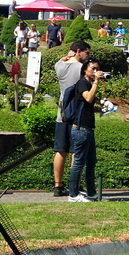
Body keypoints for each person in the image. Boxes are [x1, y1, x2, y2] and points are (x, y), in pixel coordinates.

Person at [53, 41, 91, 197]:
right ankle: (74, 185)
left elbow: (61, 61)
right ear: (78, 51)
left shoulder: (59, 66)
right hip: (77, 115)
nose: (88, 56)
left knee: (60, 150)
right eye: (87, 53)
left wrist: (65, 57)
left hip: (62, 114)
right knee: (76, 150)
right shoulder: (81, 69)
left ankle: (58, 186)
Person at [67, 59, 102, 202]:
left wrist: (102, 108)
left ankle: (92, 193)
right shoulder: (82, 83)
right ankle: (73, 195)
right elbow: (87, 98)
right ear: (85, 70)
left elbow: (88, 105)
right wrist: (96, 82)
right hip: (80, 129)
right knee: (79, 163)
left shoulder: (89, 83)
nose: (95, 71)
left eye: (97, 69)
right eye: (93, 68)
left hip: (88, 129)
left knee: (91, 162)